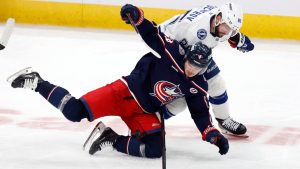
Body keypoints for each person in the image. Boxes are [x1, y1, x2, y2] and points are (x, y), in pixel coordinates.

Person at [7, 4, 229, 158]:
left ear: (203, 68)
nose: (190, 70)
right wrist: (137, 16)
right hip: (123, 92)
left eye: (197, 68)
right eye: (190, 63)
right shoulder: (173, 52)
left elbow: (200, 113)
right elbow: (152, 34)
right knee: (74, 112)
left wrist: (212, 134)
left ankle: (111, 139)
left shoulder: (197, 85)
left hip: (145, 112)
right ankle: (36, 82)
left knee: (155, 150)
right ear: (186, 55)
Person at [159, 2, 254, 136]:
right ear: (219, 19)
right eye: (226, 28)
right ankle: (149, 120)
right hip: (166, 49)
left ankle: (224, 120)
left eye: (231, 29)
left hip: (186, 45)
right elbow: (180, 51)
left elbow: (224, 30)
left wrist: (235, 36)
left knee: (217, 84)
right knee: (178, 100)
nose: (227, 32)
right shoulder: (196, 34)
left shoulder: (217, 15)